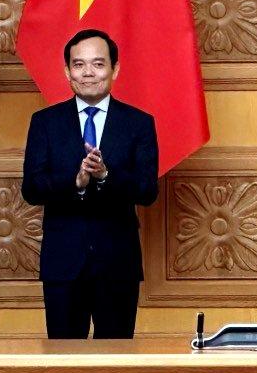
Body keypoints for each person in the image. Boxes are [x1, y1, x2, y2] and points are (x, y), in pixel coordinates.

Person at [21, 28, 159, 339]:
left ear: (115, 69)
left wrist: (106, 176)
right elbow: (31, 188)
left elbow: (148, 191)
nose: (88, 73)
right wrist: (77, 182)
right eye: (79, 64)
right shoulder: (45, 122)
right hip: (63, 262)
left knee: (116, 362)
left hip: (117, 262)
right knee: (63, 363)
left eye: (98, 64)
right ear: (67, 71)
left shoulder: (139, 123)